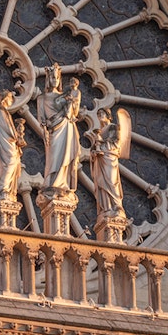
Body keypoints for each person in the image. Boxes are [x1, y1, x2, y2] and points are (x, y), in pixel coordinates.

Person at [37, 64, 81, 192]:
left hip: (66, 126)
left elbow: (74, 112)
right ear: (48, 80)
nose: (54, 81)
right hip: (52, 129)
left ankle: (62, 182)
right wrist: (44, 130)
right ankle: (51, 181)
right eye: (52, 78)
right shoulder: (42, 98)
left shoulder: (65, 96)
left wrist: (72, 101)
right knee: (53, 157)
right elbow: (42, 119)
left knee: (64, 156)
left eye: (56, 78)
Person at [88, 108, 128, 219]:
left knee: (111, 181)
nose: (100, 116)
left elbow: (116, 142)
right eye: (98, 114)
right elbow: (94, 148)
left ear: (108, 115)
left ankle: (116, 206)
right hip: (100, 160)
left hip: (109, 157)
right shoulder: (100, 131)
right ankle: (106, 207)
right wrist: (94, 151)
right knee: (101, 183)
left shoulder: (113, 127)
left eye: (102, 113)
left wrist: (101, 142)